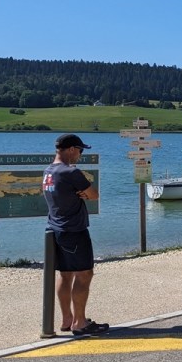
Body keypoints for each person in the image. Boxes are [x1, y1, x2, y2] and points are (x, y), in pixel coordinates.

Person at [42, 133, 109, 336]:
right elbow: (94, 194)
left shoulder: (48, 171)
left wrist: (80, 193)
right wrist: (85, 193)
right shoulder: (71, 172)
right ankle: (80, 323)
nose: (80, 154)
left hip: (56, 228)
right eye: (80, 150)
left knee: (65, 274)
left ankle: (67, 319)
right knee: (84, 274)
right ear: (71, 149)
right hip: (74, 230)